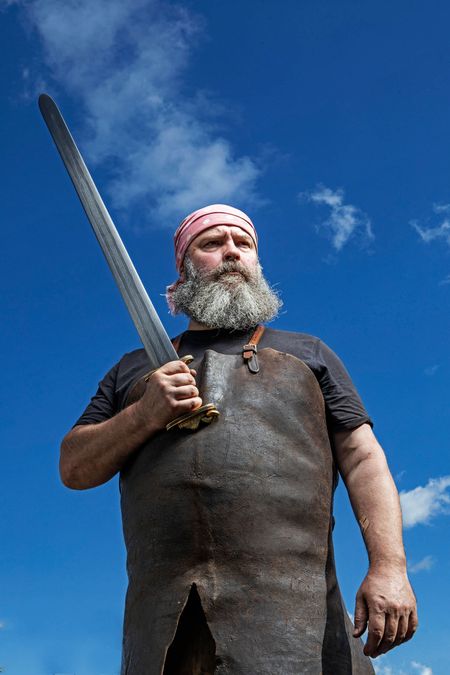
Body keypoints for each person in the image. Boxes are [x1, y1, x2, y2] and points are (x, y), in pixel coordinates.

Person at [60, 204, 418, 674]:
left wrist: (389, 567)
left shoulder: (307, 353)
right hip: (165, 630)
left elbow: (362, 458)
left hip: (299, 619)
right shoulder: (133, 368)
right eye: (212, 244)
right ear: (185, 267)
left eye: (243, 244)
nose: (231, 253)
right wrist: (143, 415)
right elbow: (74, 467)